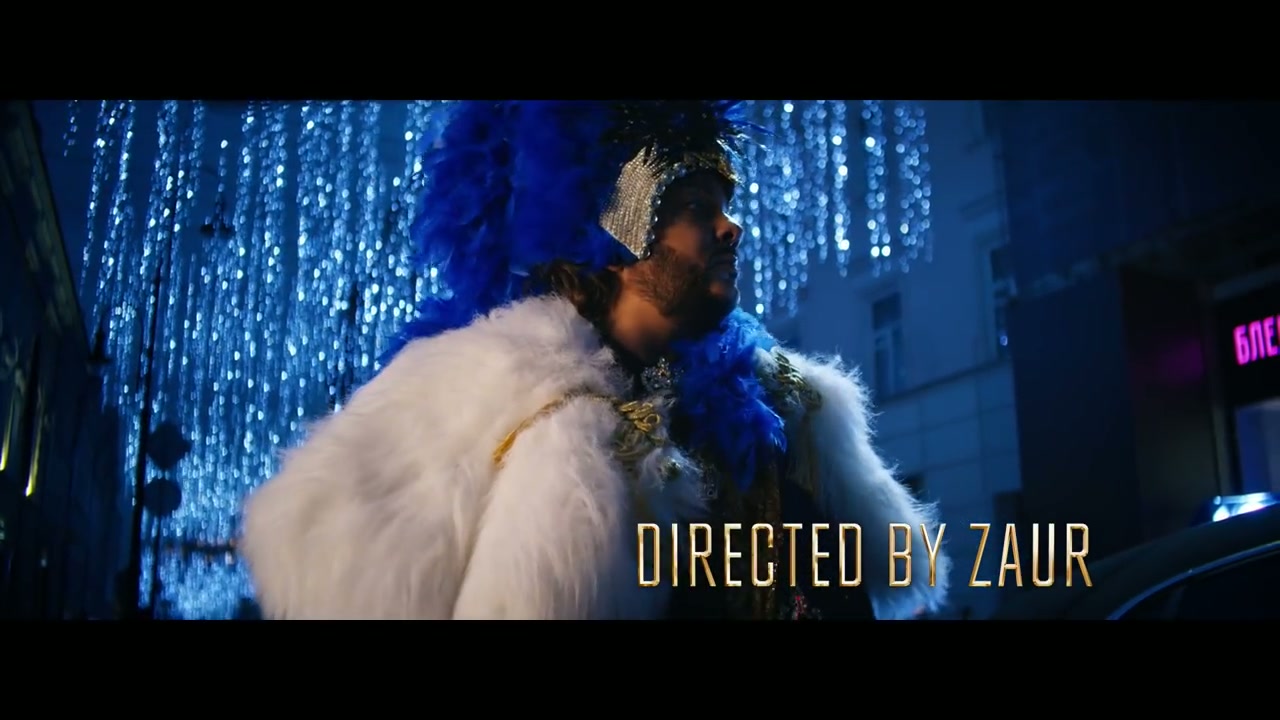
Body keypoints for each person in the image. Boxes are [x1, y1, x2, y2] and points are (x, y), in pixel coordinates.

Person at [238, 100, 950, 620]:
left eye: (725, 205)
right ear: (619, 244)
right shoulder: (510, 407)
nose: (731, 226)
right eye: (697, 208)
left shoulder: (783, 413)